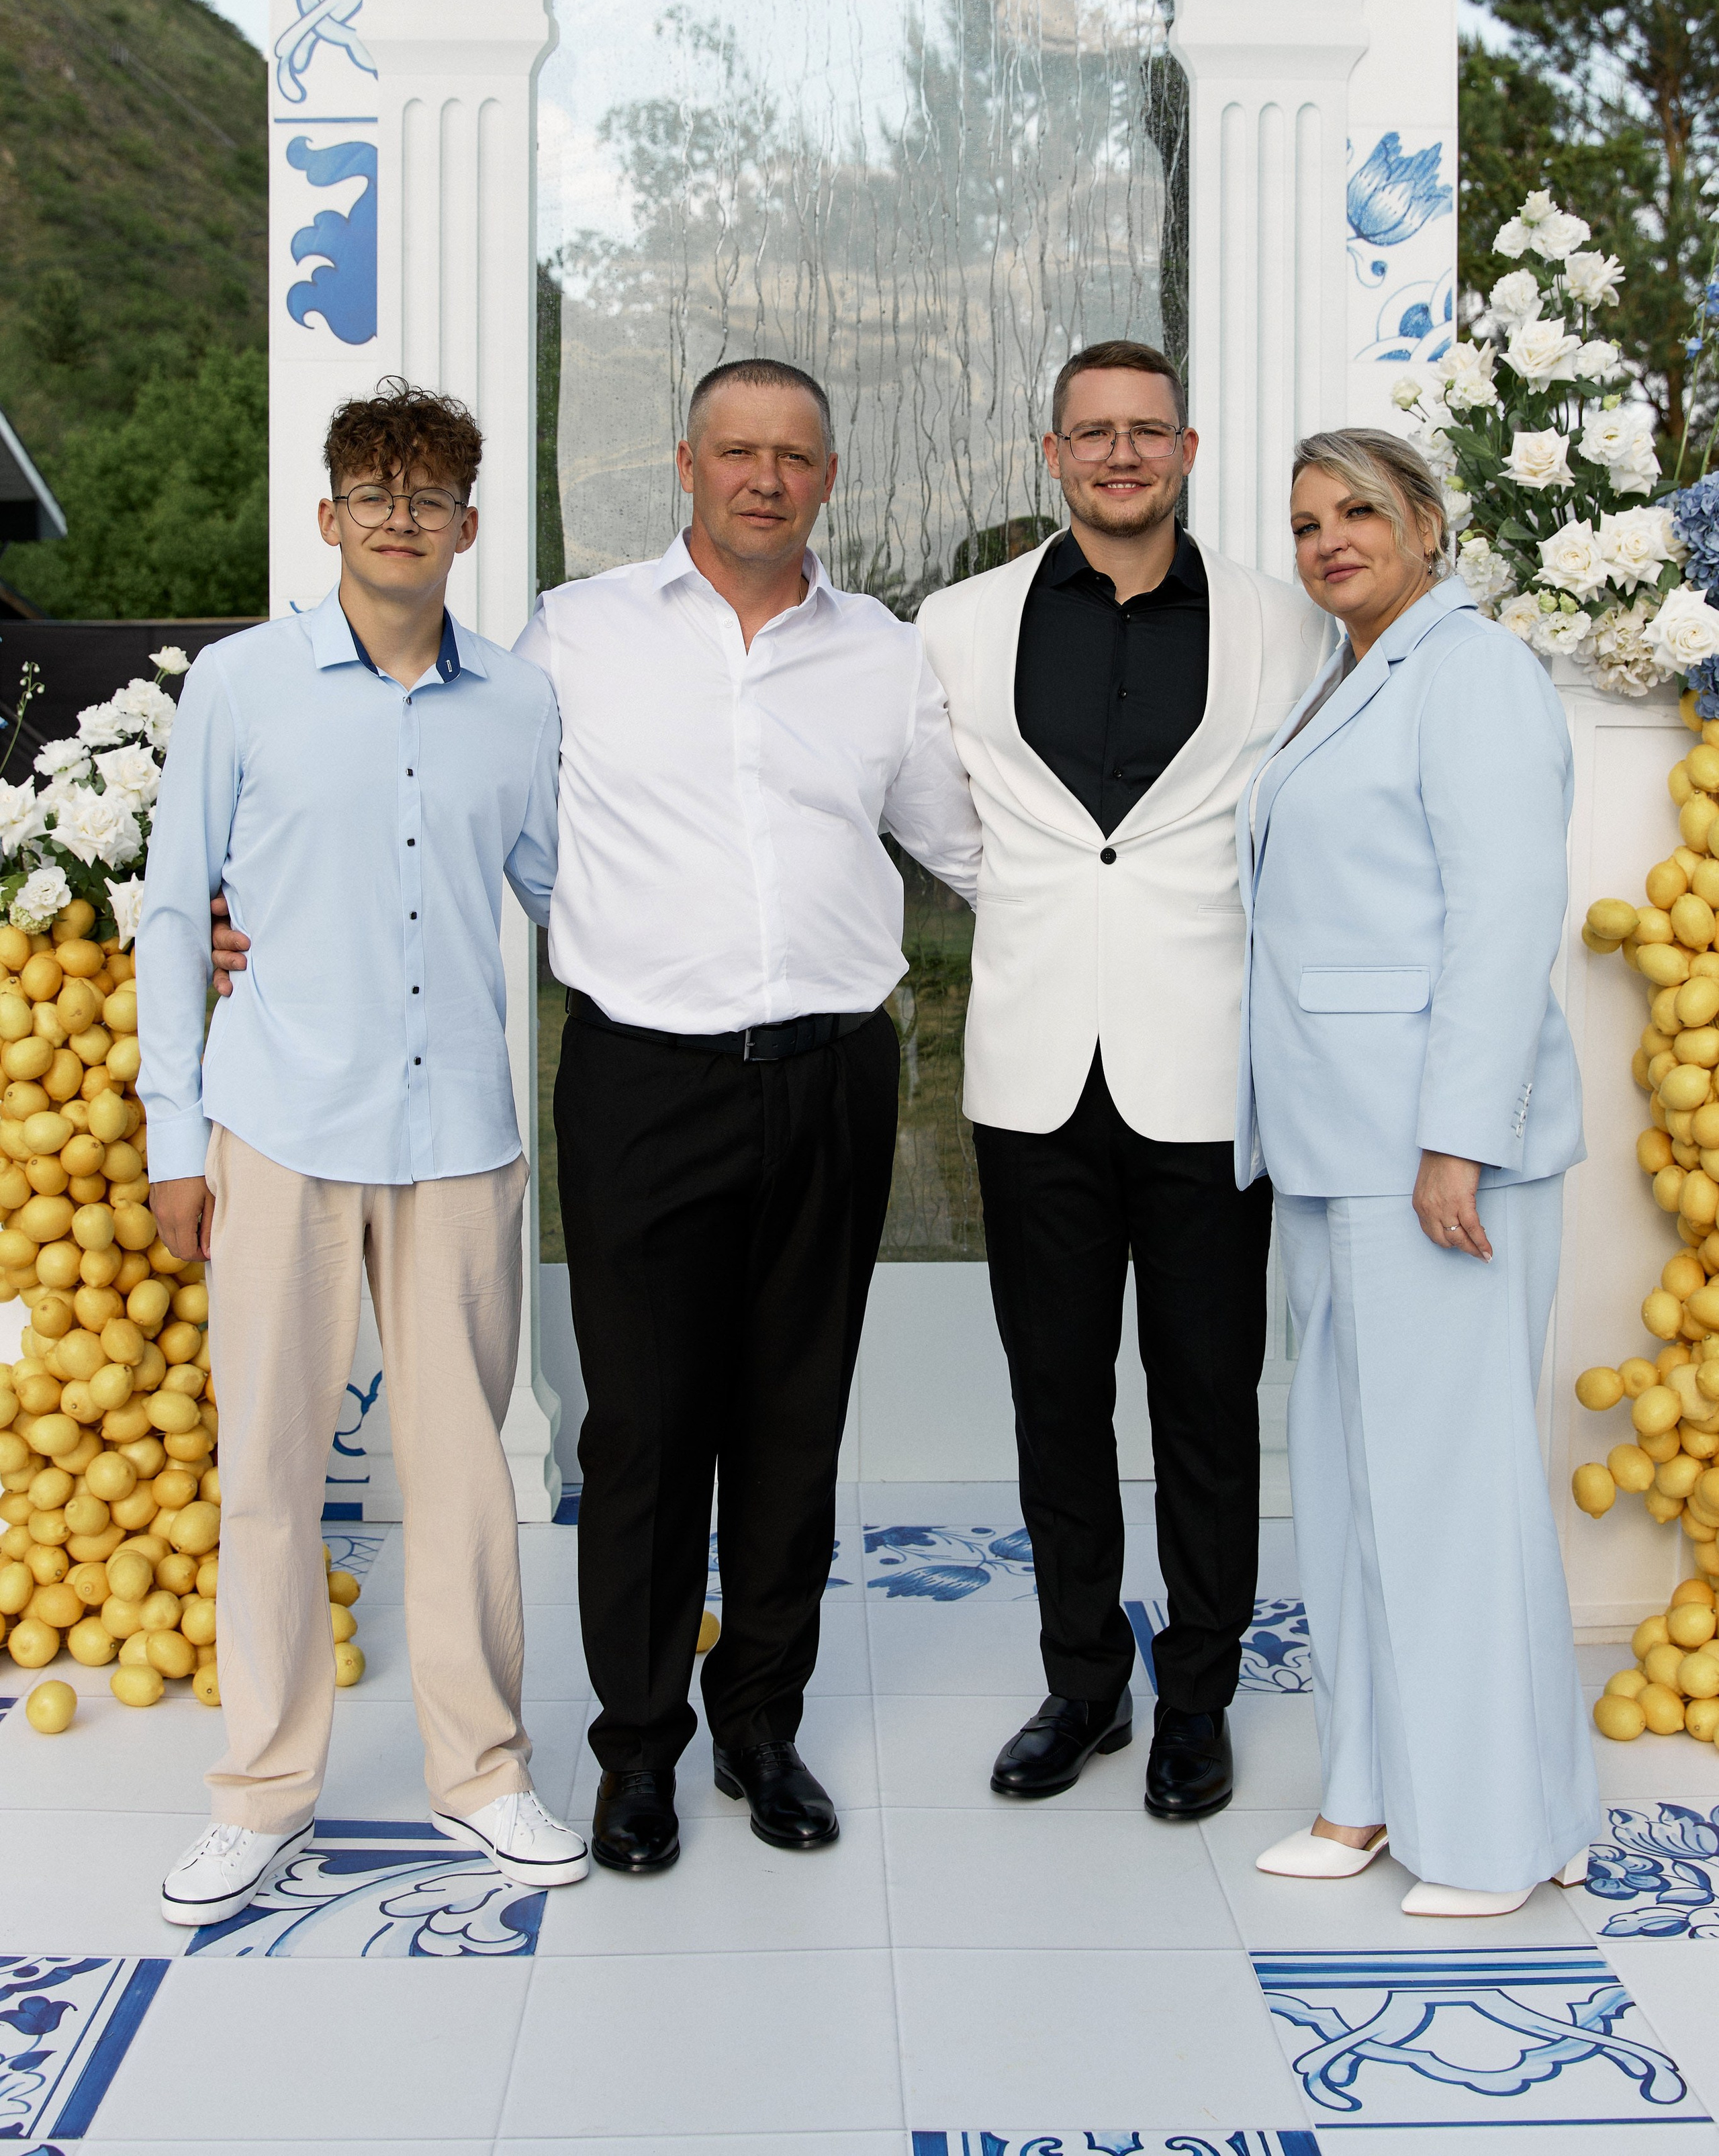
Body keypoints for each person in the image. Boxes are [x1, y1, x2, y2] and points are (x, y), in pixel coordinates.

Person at [517, 358, 980, 1873]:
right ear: (685, 465)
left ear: (826, 479)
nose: (763, 477)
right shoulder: (577, 635)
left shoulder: (883, 655)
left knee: (793, 1422)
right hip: (642, 1078)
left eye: (792, 456)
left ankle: (758, 1727)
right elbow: (480, 826)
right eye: (736, 451)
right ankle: (637, 1750)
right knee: (646, 1433)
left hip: (832, 1080)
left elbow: (968, 848)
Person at [140, 379, 588, 1926]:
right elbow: (170, 913)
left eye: (431, 497)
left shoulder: (523, 705)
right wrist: (172, 1133)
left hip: (459, 1129)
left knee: (466, 1469)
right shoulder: (242, 690)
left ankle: (483, 1770)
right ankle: (261, 1790)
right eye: (373, 492)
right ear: (329, 516)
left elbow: (564, 893)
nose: (402, 518)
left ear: (468, 529)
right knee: (265, 1468)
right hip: (277, 1125)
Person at [917, 338, 1332, 1819]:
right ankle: (1082, 1681)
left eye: (1142, 431)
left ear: (1187, 448)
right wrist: (1035, 904)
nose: (1116, 455)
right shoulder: (956, 626)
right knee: (1053, 1397)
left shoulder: (1288, 628)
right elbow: (941, 818)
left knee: (1210, 1400)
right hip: (1032, 1073)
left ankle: (1198, 1695)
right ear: (1050, 455)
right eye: (1088, 433)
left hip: (1212, 1071)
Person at [1240, 426, 1599, 1915]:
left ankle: (1493, 1833)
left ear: (1428, 524)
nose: (1329, 540)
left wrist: (1458, 1138)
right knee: (1351, 1487)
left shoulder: (1473, 673)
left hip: (1427, 1159)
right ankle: (1371, 1792)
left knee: (1445, 1496)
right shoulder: (1350, 675)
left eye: (1359, 513)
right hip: (1337, 1151)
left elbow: (1506, 912)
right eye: (1308, 519)